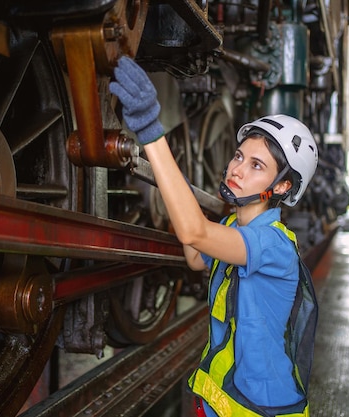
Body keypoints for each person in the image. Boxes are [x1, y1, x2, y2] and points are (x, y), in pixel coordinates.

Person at [110, 56, 318, 417]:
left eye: (257, 166)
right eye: (240, 156)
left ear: (283, 186)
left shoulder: (274, 245)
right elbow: (194, 256)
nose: (236, 168)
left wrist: (150, 131)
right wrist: (180, 199)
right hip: (221, 400)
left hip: (261, 409)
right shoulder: (235, 229)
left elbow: (194, 231)